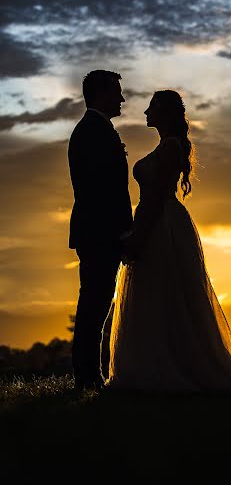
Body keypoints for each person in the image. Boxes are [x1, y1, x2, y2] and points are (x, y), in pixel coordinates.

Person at [104, 89, 231, 393]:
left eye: (151, 107)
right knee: (156, 295)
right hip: (156, 220)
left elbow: (156, 198)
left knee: (167, 292)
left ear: (165, 112)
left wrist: (138, 235)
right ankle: (153, 365)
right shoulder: (166, 146)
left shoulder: (171, 147)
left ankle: (176, 369)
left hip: (162, 225)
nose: (145, 112)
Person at [68, 69, 133, 390]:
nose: (122, 98)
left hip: (97, 232)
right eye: (117, 92)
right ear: (101, 93)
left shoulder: (96, 129)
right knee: (94, 303)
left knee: (96, 302)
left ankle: (88, 374)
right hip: (99, 234)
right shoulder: (93, 131)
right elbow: (102, 191)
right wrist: (122, 232)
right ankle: (87, 376)